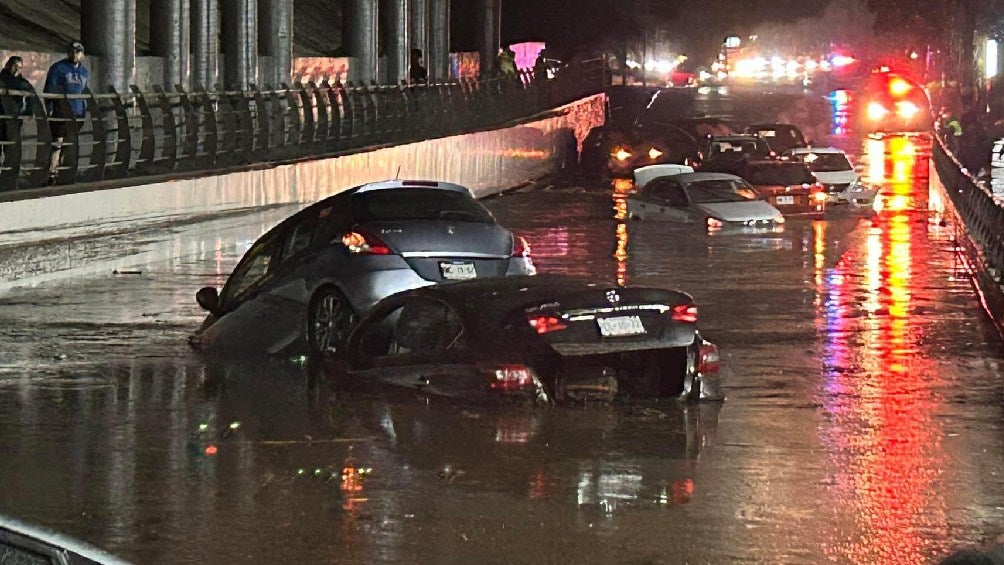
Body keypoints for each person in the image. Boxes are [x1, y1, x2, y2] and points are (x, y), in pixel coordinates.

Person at [43, 41, 89, 184]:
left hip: (78, 112)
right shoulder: (58, 68)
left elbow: (83, 90)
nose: (75, 54)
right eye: (72, 51)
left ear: (82, 54)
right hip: (60, 111)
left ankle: (63, 172)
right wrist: (49, 108)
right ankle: (52, 172)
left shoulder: (84, 72)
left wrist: (84, 108)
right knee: (58, 142)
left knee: (69, 143)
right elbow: (49, 89)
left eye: (77, 52)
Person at [0, 56, 34, 173]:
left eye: (19, 67)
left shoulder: (22, 83)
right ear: (9, 65)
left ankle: (7, 174)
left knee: (11, 148)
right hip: (2, 116)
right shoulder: (3, 79)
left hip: (14, 119)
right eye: (15, 66)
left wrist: (29, 112)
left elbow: (31, 96)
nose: (16, 70)